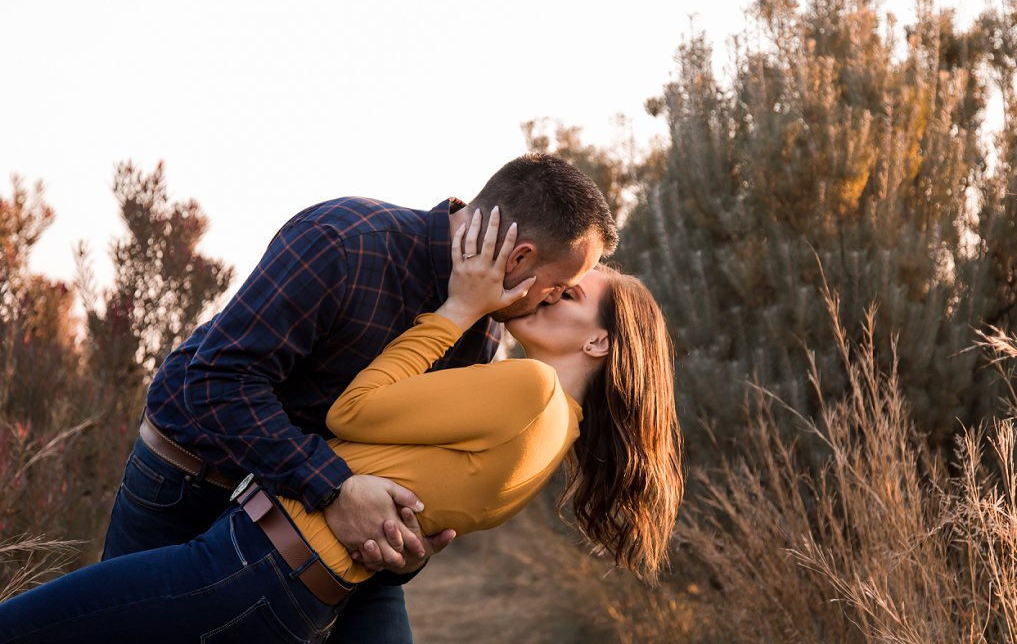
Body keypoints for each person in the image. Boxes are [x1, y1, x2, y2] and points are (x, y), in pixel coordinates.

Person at [0, 207, 685, 643]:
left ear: (598, 344)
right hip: (230, 517)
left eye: (568, 296)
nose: (540, 297)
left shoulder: (514, 373)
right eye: (556, 283)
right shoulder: (554, 427)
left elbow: (352, 418)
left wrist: (454, 312)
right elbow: (413, 482)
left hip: (256, 559)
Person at [94, 152, 619, 644]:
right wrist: (334, 487)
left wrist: (407, 545)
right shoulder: (344, 240)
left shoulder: (483, 330)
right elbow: (214, 382)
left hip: (319, 528)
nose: (551, 299)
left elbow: (409, 462)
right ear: (521, 256)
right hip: (190, 483)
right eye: (558, 285)